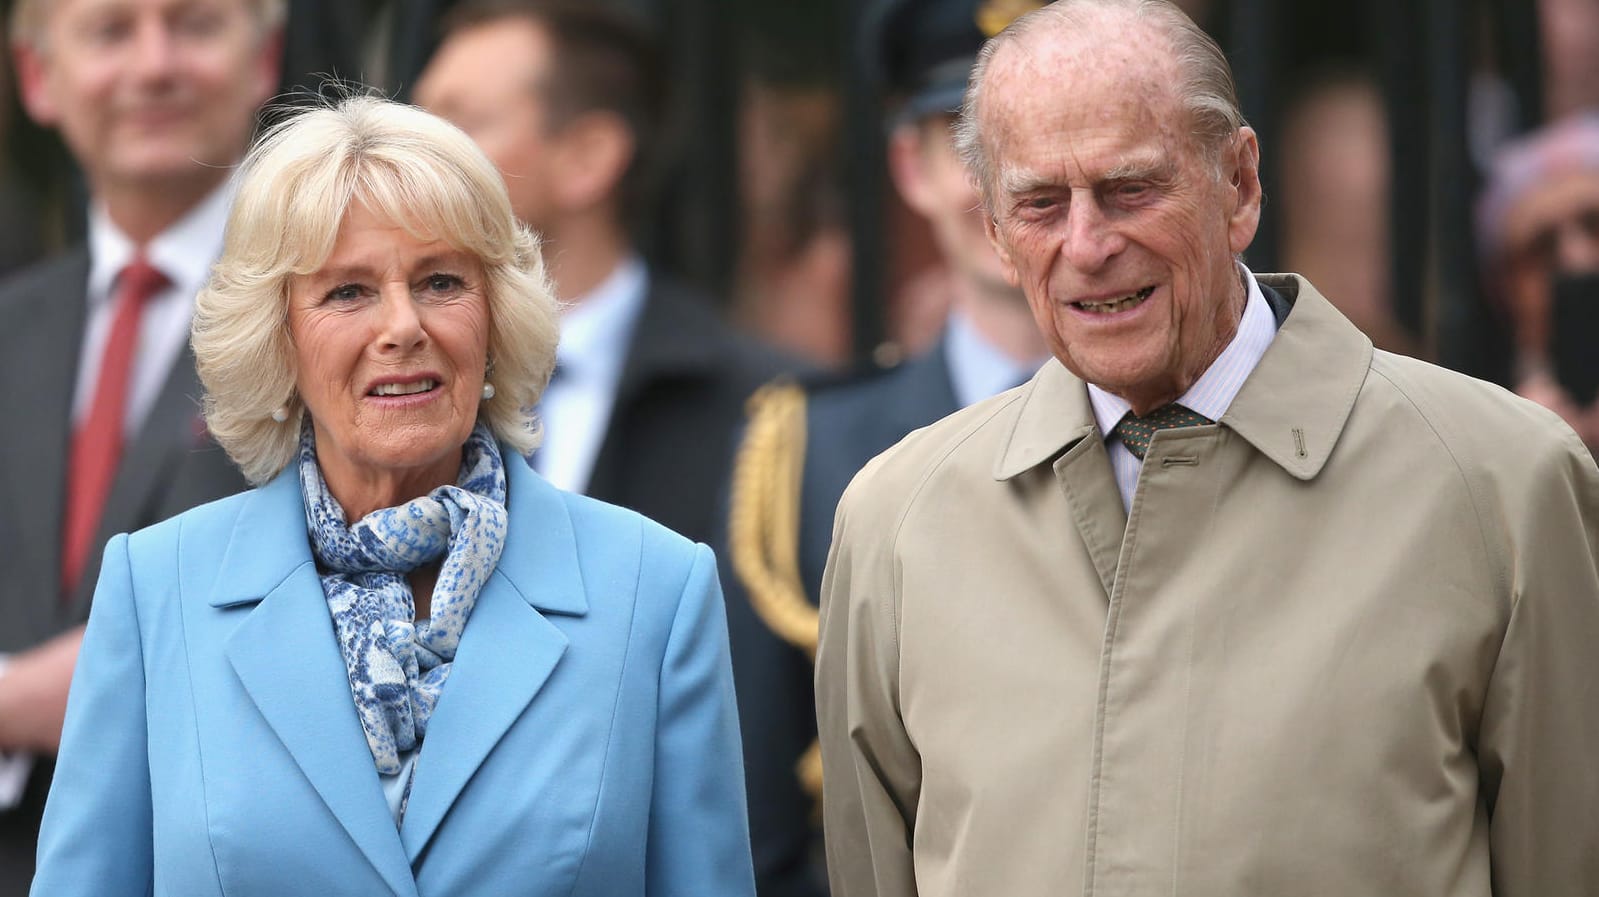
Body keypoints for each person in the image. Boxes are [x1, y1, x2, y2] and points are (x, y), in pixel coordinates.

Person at [816, 2, 1599, 895]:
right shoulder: (896, 520)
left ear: (1238, 183)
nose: (1088, 245)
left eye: (1130, 189)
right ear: (992, 232)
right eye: (1038, 204)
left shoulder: (1502, 483)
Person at [29, 96, 756, 897]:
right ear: (278, 338)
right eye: (347, 292)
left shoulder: (653, 589)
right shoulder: (157, 584)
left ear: (495, 317)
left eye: (441, 281)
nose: (402, 325)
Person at [722, 1, 1048, 893]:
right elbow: (759, 818)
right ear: (910, 166)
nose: (1004, 179)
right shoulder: (808, 446)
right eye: (967, 140)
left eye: (1039, 134)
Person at [0, 0, 279, 888]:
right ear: (38, 77)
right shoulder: (10, 329)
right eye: (111, 31)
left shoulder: (335, 316)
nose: (154, 66)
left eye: (195, 25)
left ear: (263, 60)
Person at [413, 0, 790, 547]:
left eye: (461, 123)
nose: (415, 156)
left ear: (589, 157)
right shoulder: (387, 377)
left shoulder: (760, 413)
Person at [1478, 113, 1599, 450]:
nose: (1579, 260)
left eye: (1595, 225)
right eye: (1542, 248)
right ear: (1505, 286)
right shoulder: (1485, 429)